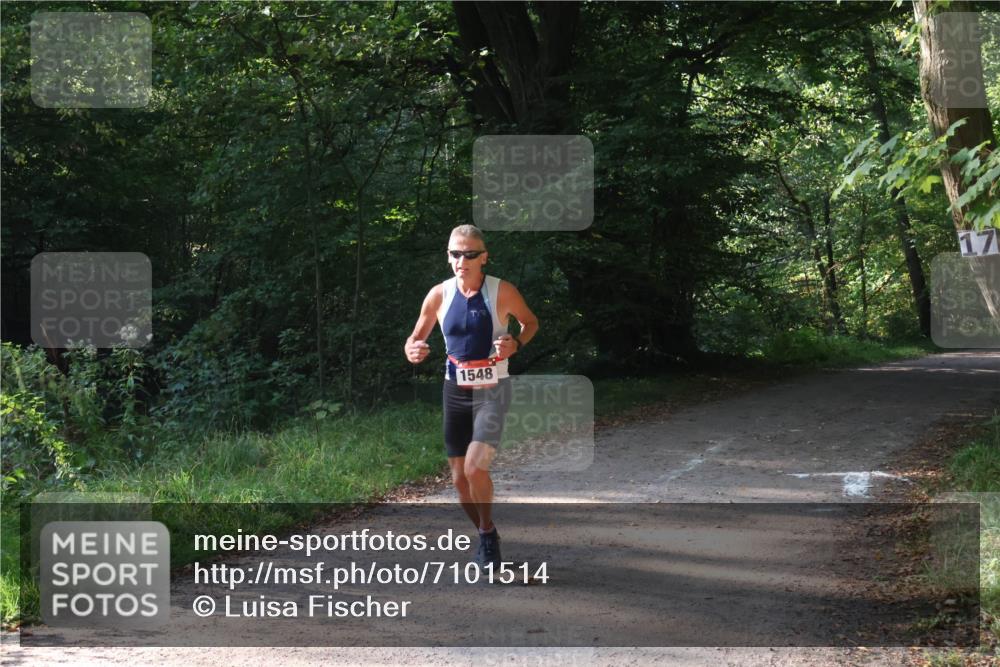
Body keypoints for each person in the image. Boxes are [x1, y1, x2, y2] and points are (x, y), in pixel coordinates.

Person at [404, 224, 538, 569]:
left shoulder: (501, 291)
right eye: (454, 253)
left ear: (484, 258)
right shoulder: (439, 294)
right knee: (458, 481)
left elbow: (530, 322)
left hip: (493, 389)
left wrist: (516, 343)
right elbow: (414, 338)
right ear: (448, 256)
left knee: (476, 466)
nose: (461, 260)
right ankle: (486, 532)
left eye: (469, 254)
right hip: (455, 390)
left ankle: (487, 538)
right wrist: (413, 350)